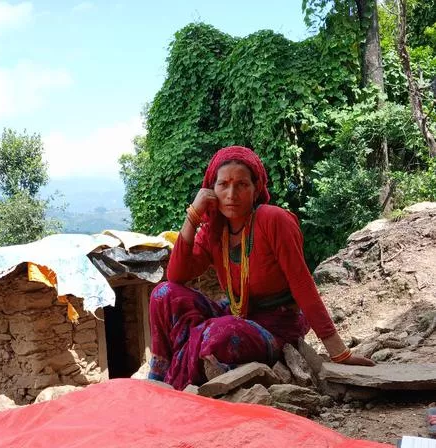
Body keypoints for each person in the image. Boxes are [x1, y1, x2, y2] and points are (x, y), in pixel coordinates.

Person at [148, 145, 374, 391]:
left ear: (257, 190)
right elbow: (176, 275)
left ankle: (182, 373)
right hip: (234, 314)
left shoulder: (273, 220)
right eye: (223, 184)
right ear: (211, 190)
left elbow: (303, 285)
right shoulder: (214, 231)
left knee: (218, 333)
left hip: (275, 326)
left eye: (242, 185)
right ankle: (161, 377)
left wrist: (338, 352)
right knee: (163, 294)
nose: (232, 194)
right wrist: (193, 214)